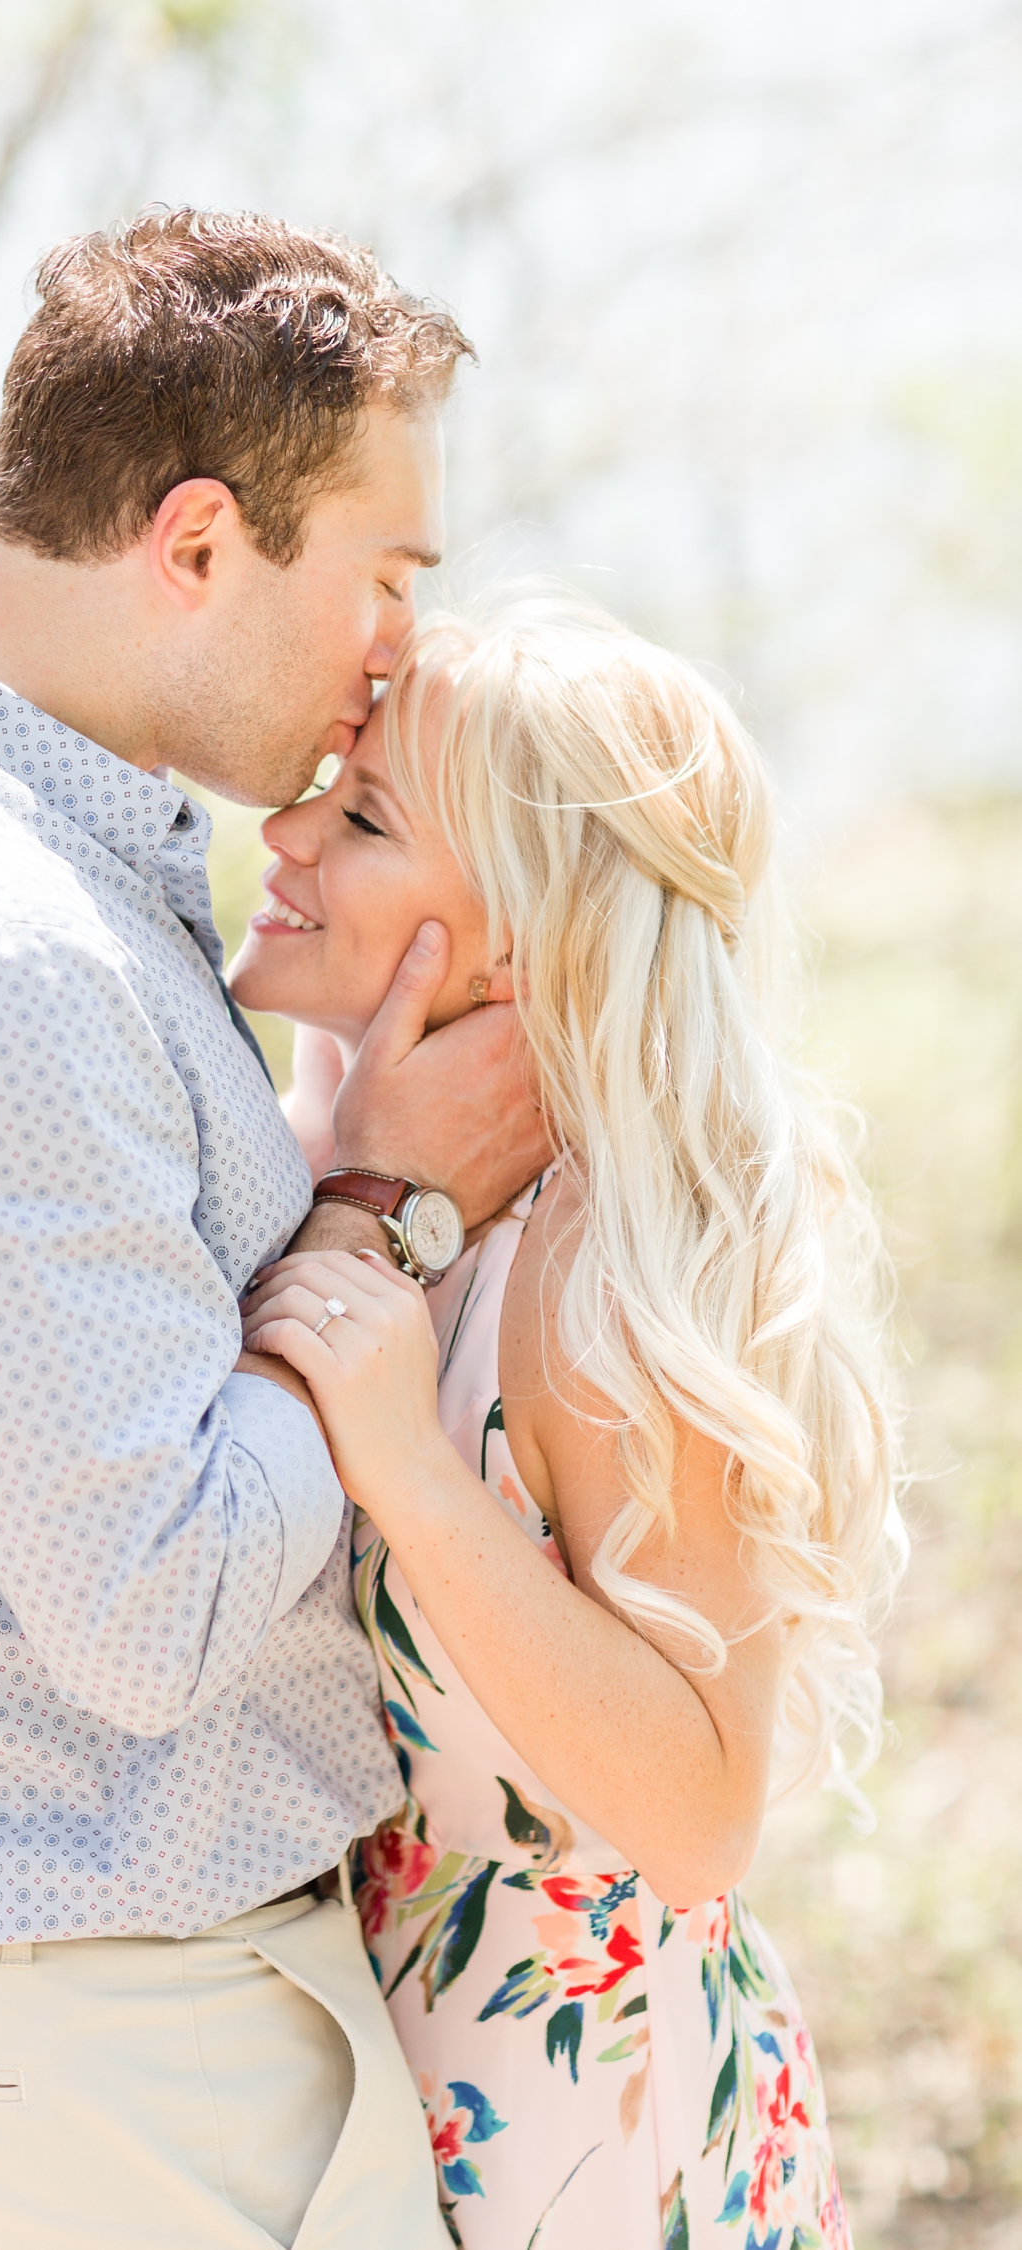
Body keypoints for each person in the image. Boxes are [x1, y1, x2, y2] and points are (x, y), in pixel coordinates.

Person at [0, 210, 555, 2250]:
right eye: (386, 578)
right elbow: (154, 1604)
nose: (398, 649)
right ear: (202, 542)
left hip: (29, 2003)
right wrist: (392, 1213)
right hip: (118, 2043)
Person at [237, 589, 904, 2248]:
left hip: (583, 2119)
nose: (289, 826)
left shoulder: (612, 1261)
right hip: (379, 2063)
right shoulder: (347, 1172)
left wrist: (412, 1472)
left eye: (367, 812)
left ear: (523, 933)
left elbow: (699, 1815)